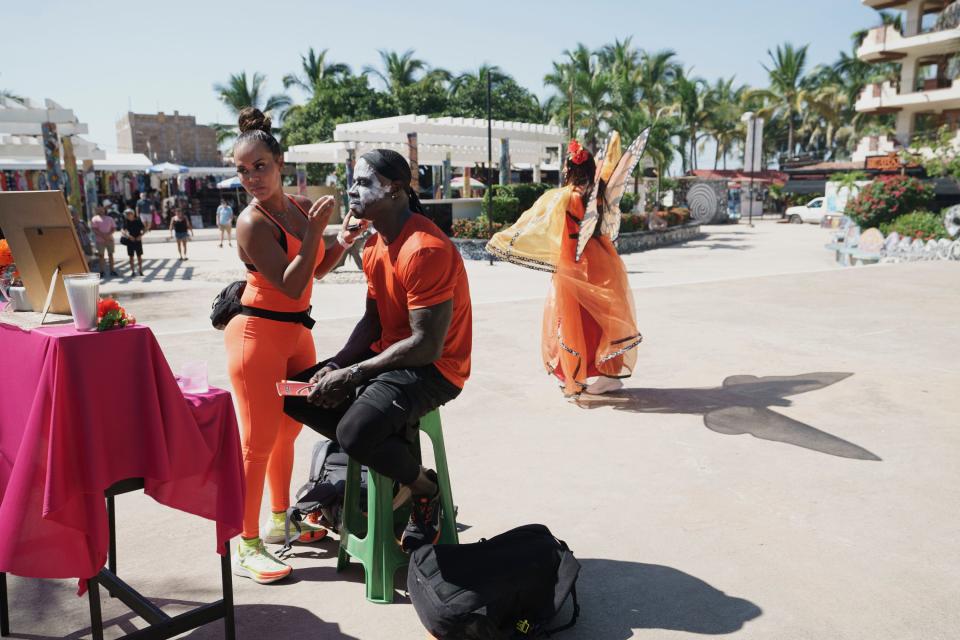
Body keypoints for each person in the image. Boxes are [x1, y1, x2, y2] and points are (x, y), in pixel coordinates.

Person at [284, 148, 473, 554]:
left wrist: (353, 375)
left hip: (435, 369)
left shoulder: (424, 249)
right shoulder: (373, 246)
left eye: (364, 182)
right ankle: (384, 447)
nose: (352, 190)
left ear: (395, 190)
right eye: (352, 180)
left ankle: (423, 489)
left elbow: (426, 345)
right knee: (297, 395)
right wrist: (336, 364)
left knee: (354, 432)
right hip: (392, 359)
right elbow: (372, 322)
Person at [225, 107, 367, 584]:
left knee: (289, 431)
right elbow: (288, 283)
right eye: (242, 170)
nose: (251, 178)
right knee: (258, 441)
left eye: (259, 166)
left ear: (280, 161)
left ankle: (280, 516)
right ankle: (245, 545)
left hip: (296, 333)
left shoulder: (302, 206)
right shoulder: (250, 222)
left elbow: (315, 270)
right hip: (257, 334)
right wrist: (312, 234)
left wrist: (340, 241)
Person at [487, 135, 644, 397]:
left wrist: (504, 239)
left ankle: (576, 374)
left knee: (572, 320)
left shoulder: (567, 197)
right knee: (600, 319)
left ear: (570, 171)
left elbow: (538, 221)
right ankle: (607, 373)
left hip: (576, 263)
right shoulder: (600, 192)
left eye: (565, 167)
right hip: (603, 259)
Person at [91, 206, 118, 277]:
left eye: (102, 209)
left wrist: (108, 235)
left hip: (110, 240)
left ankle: (112, 270)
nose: (100, 210)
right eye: (99, 209)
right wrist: (103, 236)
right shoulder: (94, 219)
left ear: (104, 210)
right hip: (100, 241)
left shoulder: (110, 218)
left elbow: (114, 228)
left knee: (111, 255)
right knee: (101, 256)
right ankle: (102, 271)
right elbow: (94, 229)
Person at [123, 208, 146, 276]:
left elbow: (144, 229)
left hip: (138, 241)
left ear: (133, 214)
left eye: (129, 214)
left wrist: (140, 236)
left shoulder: (138, 221)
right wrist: (129, 236)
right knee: (131, 257)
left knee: (139, 256)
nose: (128, 215)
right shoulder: (126, 221)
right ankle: (133, 271)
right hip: (130, 241)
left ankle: (140, 271)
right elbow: (123, 230)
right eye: (127, 214)